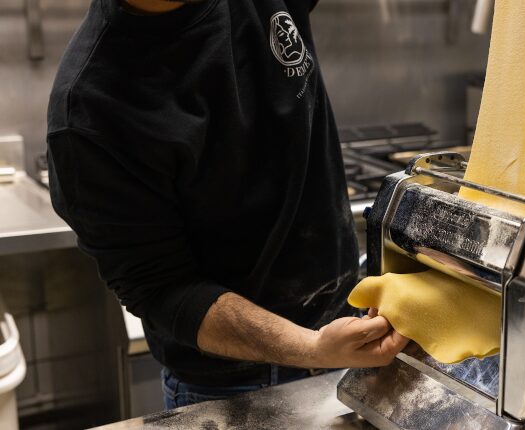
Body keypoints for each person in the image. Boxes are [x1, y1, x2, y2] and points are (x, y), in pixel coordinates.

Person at [46, 0, 408, 409]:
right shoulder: (89, 113)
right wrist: (314, 347)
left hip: (350, 335)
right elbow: (166, 289)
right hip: (234, 387)